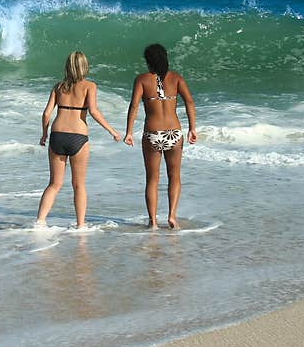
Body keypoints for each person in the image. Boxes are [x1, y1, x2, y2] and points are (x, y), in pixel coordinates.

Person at [36, 51, 120, 228]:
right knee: (79, 185)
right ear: (84, 66)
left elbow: (46, 114)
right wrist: (112, 130)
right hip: (78, 137)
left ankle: (40, 221)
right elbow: (94, 111)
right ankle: (81, 226)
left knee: (54, 184)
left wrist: (44, 134)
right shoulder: (90, 86)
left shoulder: (58, 87)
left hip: (57, 135)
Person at [124, 43, 196, 229]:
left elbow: (134, 106)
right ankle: (172, 216)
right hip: (174, 133)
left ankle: (153, 222)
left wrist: (129, 132)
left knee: (152, 179)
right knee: (175, 177)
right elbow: (189, 101)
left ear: (148, 61)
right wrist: (192, 128)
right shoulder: (176, 78)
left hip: (152, 134)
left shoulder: (142, 79)